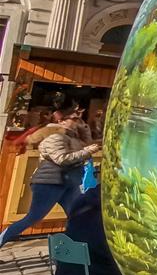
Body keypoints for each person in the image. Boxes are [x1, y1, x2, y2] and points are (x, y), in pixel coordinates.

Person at [0, 104, 100, 248]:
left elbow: (87, 145)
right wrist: (87, 151)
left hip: (68, 182)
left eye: (79, 119)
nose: (78, 121)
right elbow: (62, 158)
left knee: (78, 215)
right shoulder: (55, 136)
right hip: (50, 182)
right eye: (74, 118)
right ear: (62, 121)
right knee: (33, 217)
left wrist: (85, 129)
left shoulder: (72, 136)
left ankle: (79, 249)